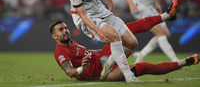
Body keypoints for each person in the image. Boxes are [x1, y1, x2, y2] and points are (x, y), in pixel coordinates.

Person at [66, 0, 141, 83]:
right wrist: (98, 31)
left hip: (100, 9)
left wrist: (110, 5)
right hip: (85, 16)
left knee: (132, 43)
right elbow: (82, 14)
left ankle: (108, 63)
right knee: (113, 35)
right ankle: (128, 75)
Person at [50, 16, 199, 82]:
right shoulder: (60, 52)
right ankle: (185, 62)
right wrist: (81, 69)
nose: (65, 31)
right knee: (143, 67)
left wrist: (104, 48)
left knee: (127, 29)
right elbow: (69, 72)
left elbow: (88, 53)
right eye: (61, 30)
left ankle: (166, 15)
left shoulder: (71, 43)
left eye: (65, 28)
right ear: (54, 36)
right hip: (103, 73)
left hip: (103, 57)